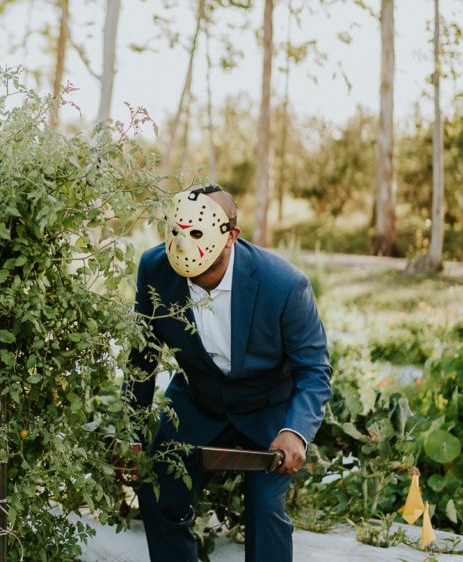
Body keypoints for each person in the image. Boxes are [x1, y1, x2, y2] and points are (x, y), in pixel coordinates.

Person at [130, 184, 332, 562]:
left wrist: (295, 432)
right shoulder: (155, 269)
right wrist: (132, 430)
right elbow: (143, 354)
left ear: (231, 237)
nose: (184, 243)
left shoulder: (284, 285)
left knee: (263, 509)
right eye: (177, 231)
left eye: (196, 234)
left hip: (267, 409)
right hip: (197, 400)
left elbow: (314, 369)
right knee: (158, 492)